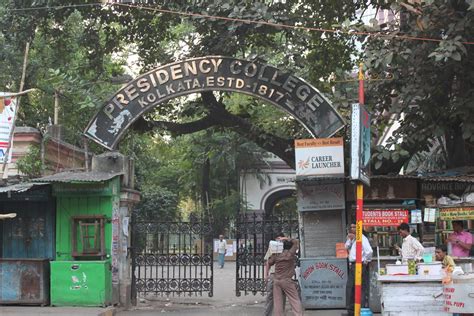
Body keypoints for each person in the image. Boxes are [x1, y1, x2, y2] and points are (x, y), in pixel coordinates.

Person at [268, 238, 303, 316]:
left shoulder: (276, 254)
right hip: (287, 281)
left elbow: (269, 262)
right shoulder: (290, 254)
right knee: (294, 299)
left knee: (278, 301)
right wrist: (287, 238)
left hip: (276, 280)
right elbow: (296, 241)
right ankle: (298, 314)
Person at [345, 223, 373, 316]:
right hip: (353, 265)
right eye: (351, 227)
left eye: (354, 227)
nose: (352, 229)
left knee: (359, 288)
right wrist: (350, 239)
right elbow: (346, 247)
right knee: (350, 287)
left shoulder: (362, 238)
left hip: (359, 265)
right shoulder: (353, 239)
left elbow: (369, 251)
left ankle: (359, 310)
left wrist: (365, 260)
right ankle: (351, 310)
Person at [264, 232, 286, 316]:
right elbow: (267, 262)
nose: (279, 241)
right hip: (273, 275)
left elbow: (296, 243)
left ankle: (281, 313)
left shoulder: (286, 248)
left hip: (283, 275)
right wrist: (266, 275)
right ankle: (267, 314)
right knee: (270, 296)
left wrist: (286, 240)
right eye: (277, 239)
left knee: (282, 295)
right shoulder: (272, 248)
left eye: (280, 239)